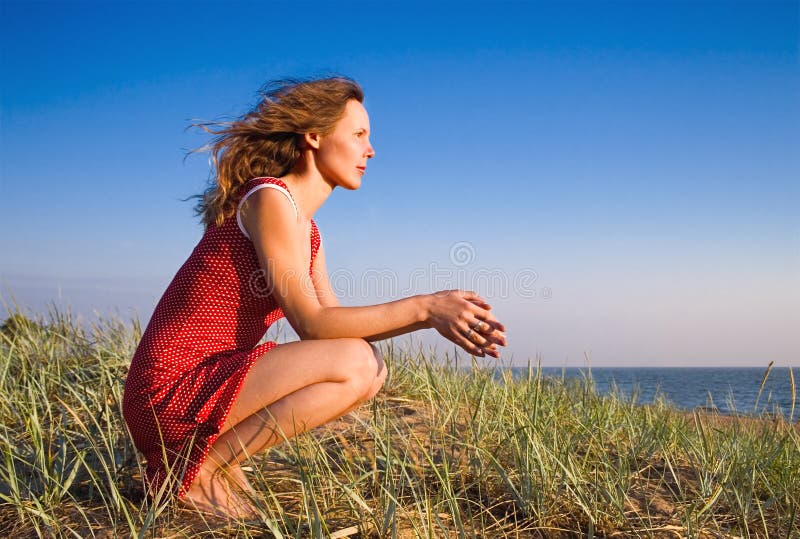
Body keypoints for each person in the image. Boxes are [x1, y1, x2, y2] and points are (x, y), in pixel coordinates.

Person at [122, 77, 507, 519]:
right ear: (314, 136)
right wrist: (426, 306)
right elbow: (312, 323)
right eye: (359, 134)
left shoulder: (308, 229)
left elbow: (330, 322)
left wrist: (435, 319)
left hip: (213, 384)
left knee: (367, 367)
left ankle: (207, 465)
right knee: (357, 362)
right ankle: (203, 467)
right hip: (169, 391)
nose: (371, 150)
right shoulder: (269, 199)